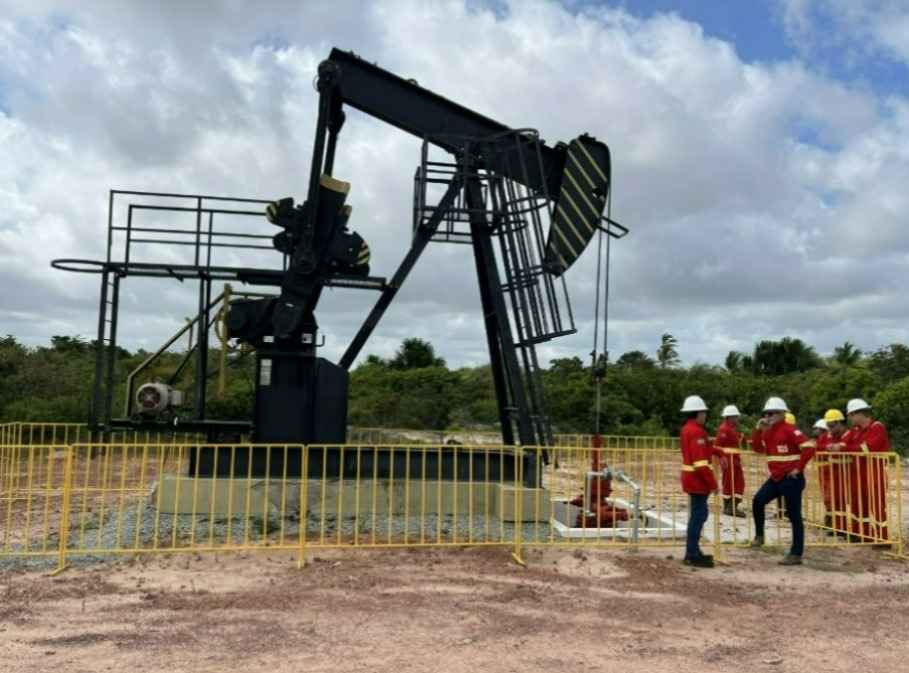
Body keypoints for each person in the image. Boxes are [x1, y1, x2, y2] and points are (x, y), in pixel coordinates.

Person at [750, 396, 816, 565]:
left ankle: (796, 554)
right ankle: (759, 536)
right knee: (758, 501)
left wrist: (798, 468)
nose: (767, 417)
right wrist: (758, 430)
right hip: (776, 478)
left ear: (781, 414)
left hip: (791, 479)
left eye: (770, 413)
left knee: (794, 516)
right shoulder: (769, 431)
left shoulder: (789, 429)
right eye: (766, 414)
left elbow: (808, 448)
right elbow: (757, 448)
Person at [826, 398, 891, 548]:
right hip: (857, 473)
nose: (849, 418)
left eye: (850, 415)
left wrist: (841, 449)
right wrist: (837, 446)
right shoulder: (855, 431)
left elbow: (867, 448)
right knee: (857, 505)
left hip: (874, 473)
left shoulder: (877, 428)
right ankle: (862, 534)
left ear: (860, 414)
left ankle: (883, 539)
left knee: (877, 506)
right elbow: (846, 443)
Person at [679, 395, 719, 568]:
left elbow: (705, 449)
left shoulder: (688, 429)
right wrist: (713, 484)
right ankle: (691, 554)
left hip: (692, 479)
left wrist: (719, 451)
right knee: (698, 516)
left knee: (698, 515)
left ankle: (693, 551)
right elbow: (701, 463)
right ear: (699, 413)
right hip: (697, 481)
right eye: (704, 413)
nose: (705, 416)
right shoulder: (696, 431)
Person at [814, 409, 850, 536]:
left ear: (840, 423)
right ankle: (838, 527)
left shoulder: (848, 435)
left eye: (832, 426)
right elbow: (818, 446)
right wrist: (827, 448)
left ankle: (843, 528)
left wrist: (838, 449)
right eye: (828, 426)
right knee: (833, 500)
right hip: (832, 472)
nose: (829, 429)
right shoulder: (828, 435)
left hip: (845, 472)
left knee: (841, 500)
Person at [714, 404, 747, 517]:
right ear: (731, 417)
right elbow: (717, 445)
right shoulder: (724, 429)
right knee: (733, 484)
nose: (738, 418)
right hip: (729, 461)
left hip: (734, 461)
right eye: (736, 416)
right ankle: (730, 508)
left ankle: (730, 507)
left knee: (735, 483)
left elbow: (741, 438)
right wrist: (722, 458)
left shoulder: (732, 429)